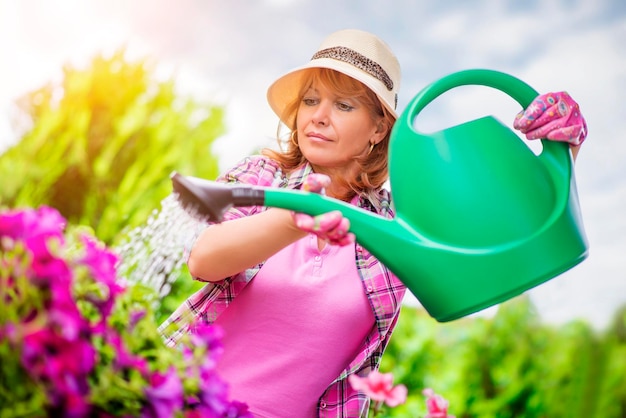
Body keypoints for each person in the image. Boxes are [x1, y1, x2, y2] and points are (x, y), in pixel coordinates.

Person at [158, 29, 587, 417]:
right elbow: (204, 260)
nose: (318, 116)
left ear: (379, 129)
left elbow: (499, 250)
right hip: (181, 403)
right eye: (311, 100)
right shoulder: (263, 177)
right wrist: (291, 218)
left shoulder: (399, 224)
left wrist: (560, 153)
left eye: (343, 105)